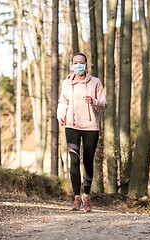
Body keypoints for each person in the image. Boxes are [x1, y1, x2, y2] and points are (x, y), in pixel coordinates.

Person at [57, 52, 107, 212]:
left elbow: (104, 104)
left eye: (81, 62)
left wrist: (94, 101)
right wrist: (60, 115)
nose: (78, 65)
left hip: (91, 127)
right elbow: (63, 101)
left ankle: (87, 196)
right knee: (74, 160)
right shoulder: (67, 83)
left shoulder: (95, 83)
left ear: (86, 65)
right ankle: (76, 198)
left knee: (87, 161)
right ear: (72, 65)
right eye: (75, 62)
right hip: (71, 125)